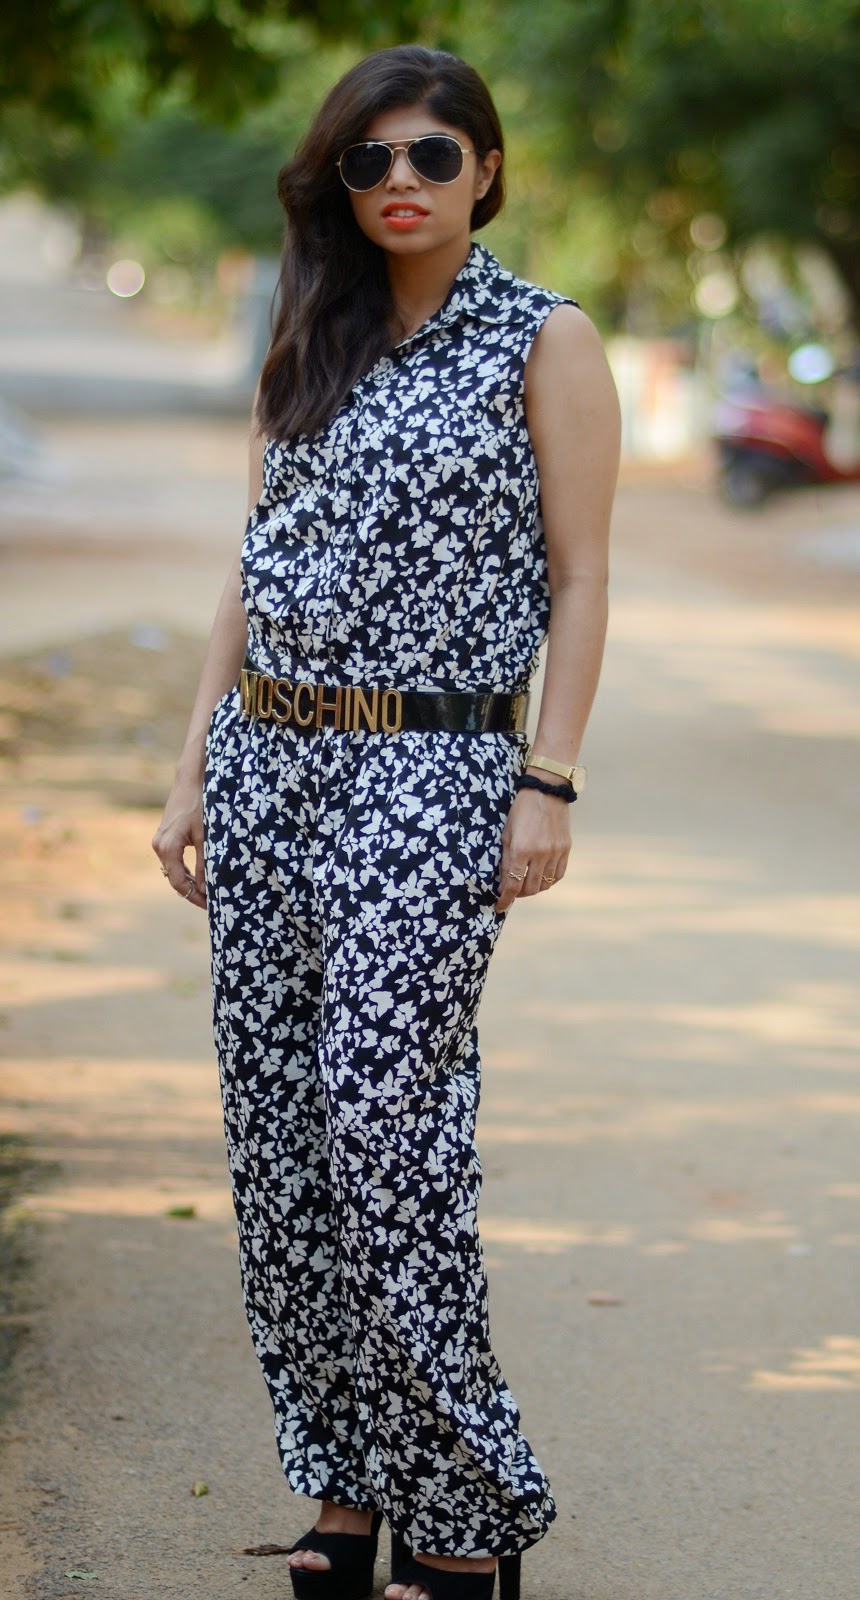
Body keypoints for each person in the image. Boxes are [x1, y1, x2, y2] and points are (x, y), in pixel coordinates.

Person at [152, 42, 620, 1600]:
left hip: (433, 772)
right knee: (284, 1139)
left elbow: (581, 578)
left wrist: (547, 779)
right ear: (336, 182)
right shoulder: (312, 327)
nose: (400, 183)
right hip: (269, 761)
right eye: (369, 160)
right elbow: (255, 556)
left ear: (487, 169)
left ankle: (466, 1501)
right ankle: (349, 1479)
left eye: (430, 154)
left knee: (383, 1132)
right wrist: (191, 767)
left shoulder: (544, 337)